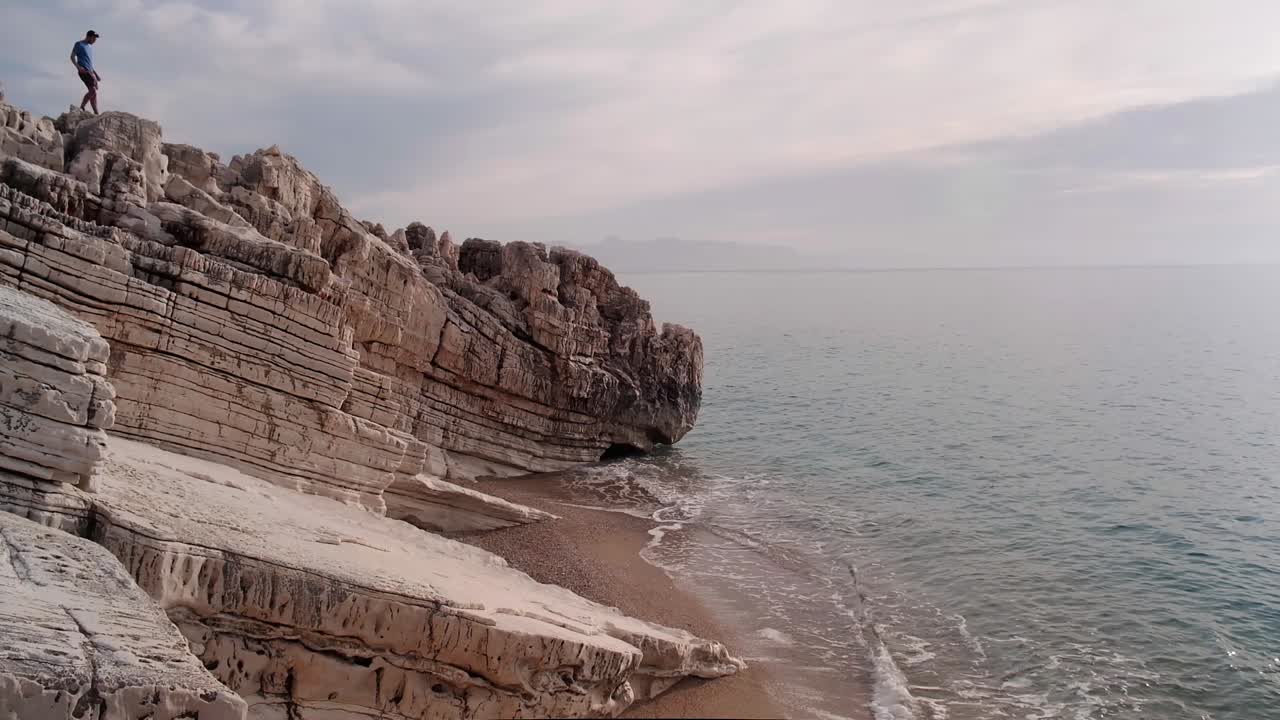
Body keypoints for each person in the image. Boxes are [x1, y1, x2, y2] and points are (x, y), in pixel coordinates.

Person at [71, 30, 101, 115]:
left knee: (94, 93)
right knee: (93, 90)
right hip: (83, 70)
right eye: (94, 39)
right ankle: (82, 107)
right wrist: (78, 67)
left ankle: (96, 113)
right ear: (89, 36)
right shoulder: (79, 44)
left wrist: (96, 74)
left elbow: (89, 63)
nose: (94, 41)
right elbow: (72, 56)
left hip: (90, 72)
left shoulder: (90, 47)